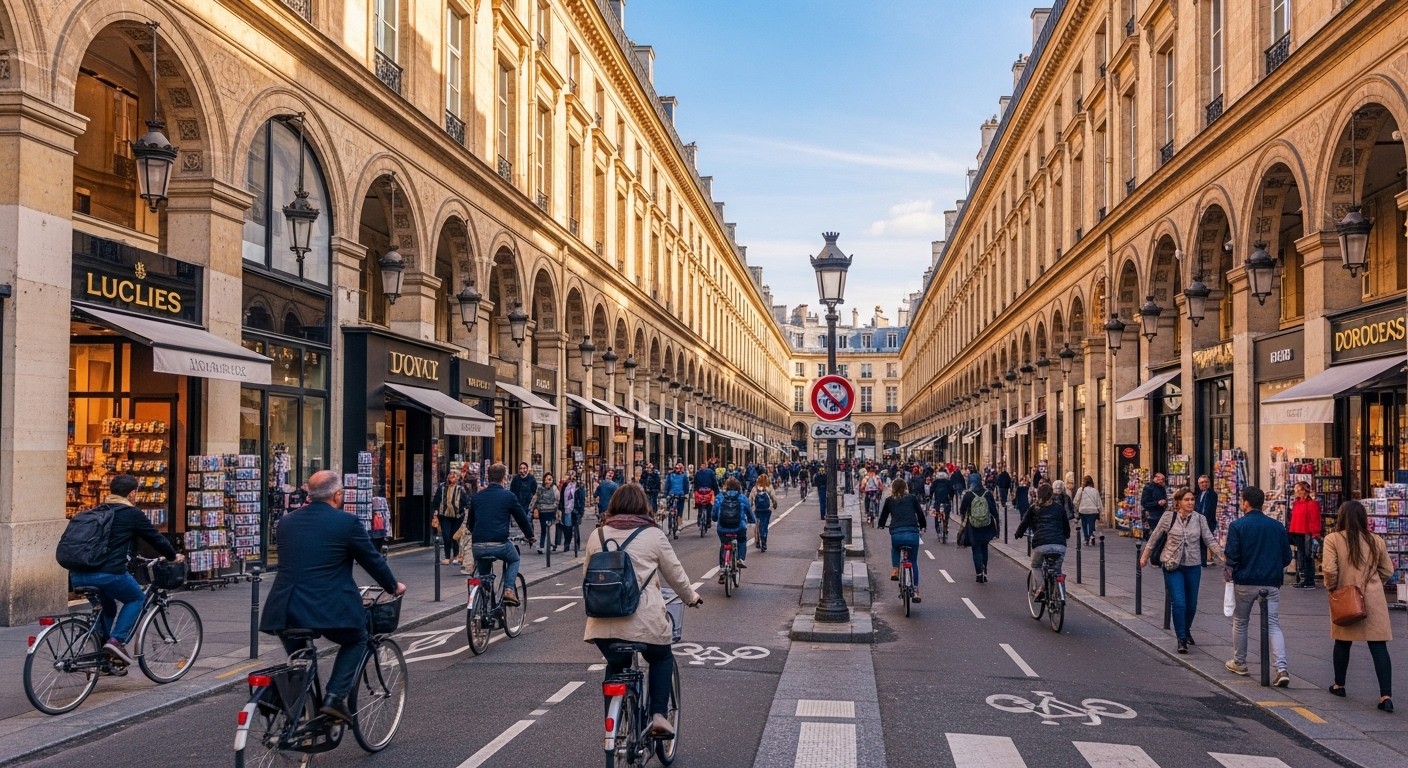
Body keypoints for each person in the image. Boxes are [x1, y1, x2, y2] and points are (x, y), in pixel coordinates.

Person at [260, 471, 404, 723]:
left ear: (309, 493)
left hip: (284, 608)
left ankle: (296, 719)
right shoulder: (346, 523)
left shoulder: (286, 522)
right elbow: (372, 560)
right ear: (338, 495)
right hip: (328, 607)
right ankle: (335, 698)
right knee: (357, 639)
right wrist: (393, 586)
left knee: (300, 661)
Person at [584, 484, 703, 738]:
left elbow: (586, 578)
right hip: (645, 622)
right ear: (643, 506)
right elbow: (676, 575)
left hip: (602, 624)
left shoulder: (598, 535)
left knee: (615, 664)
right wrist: (691, 597)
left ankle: (613, 725)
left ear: (613, 505)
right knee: (661, 658)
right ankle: (658, 715)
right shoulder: (653, 535)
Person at [65, 474, 185, 666]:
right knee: (136, 597)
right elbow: (156, 538)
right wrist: (174, 556)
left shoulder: (98, 511)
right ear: (131, 494)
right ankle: (117, 641)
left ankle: (101, 656)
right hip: (108, 575)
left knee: (108, 607)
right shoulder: (131, 514)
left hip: (78, 575)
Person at [1321, 500, 1395, 712]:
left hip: (1346, 596)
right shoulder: (1376, 540)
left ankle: (1339, 684)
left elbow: (1329, 570)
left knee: (1343, 642)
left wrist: (1332, 588)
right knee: (1379, 646)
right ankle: (1385, 696)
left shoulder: (1333, 539)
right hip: (1373, 599)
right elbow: (1388, 570)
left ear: (1341, 517)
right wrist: (1374, 585)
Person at [1223, 485, 1292, 686]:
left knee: (1241, 621)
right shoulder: (1277, 526)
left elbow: (1232, 556)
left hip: (1245, 581)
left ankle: (1240, 662)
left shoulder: (1238, 526)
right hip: (1271, 583)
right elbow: (1287, 557)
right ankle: (1281, 668)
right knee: (1273, 624)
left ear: (1245, 502)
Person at [1140, 488, 1224, 653]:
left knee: (1191, 605)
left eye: (1192, 499)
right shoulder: (1168, 517)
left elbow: (1209, 539)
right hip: (1172, 564)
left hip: (1193, 565)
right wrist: (1144, 557)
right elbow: (1154, 537)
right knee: (1179, 602)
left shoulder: (1200, 519)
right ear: (1178, 502)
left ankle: (1186, 630)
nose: (1191, 502)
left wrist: (1222, 556)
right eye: (1187, 500)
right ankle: (1181, 639)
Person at [464, 463, 536, 604]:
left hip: (478, 545)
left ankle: (482, 606)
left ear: (488, 478)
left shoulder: (477, 497)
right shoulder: (508, 496)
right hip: (499, 544)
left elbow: (470, 524)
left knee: (483, 575)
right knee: (514, 558)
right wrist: (530, 536)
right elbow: (522, 519)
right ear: (504, 478)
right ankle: (509, 589)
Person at [1014, 484, 1070, 598]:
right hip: (1059, 545)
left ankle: (1041, 587)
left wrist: (1018, 534)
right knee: (1057, 570)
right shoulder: (1059, 508)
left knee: (1035, 565)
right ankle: (1060, 597)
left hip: (1041, 544)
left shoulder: (1034, 508)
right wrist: (1066, 535)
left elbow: (1024, 523)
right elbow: (1066, 526)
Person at [878, 478, 926, 602]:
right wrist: (923, 525)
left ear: (893, 489)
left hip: (897, 533)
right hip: (912, 533)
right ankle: (915, 590)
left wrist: (881, 524)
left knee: (895, 548)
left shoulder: (889, 500)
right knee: (913, 561)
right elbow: (920, 514)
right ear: (905, 488)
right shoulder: (912, 498)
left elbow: (883, 515)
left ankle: (895, 569)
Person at [712, 477, 756, 577]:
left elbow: (714, 512)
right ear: (738, 487)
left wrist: (714, 519)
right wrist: (752, 521)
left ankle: (723, 567)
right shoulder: (742, 497)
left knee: (724, 544)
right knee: (742, 540)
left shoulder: (720, 496)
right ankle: (740, 558)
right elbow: (749, 511)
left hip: (723, 527)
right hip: (738, 527)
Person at [960, 480, 1000, 583]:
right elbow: (993, 510)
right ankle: (985, 571)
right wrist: (997, 523)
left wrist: (964, 518)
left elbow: (962, 509)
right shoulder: (988, 494)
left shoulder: (969, 494)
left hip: (974, 525)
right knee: (984, 547)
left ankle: (979, 573)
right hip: (987, 525)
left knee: (976, 548)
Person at [1287, 481, 1322, 589]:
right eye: (1295, 489)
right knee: (1301, 556)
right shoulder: (1296, 503)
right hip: (1297, 532)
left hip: (1306, 533)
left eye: (1298, 489)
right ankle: (1304, 579)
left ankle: (1309, 580)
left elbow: (1315, 520)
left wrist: (1315, 534)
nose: (1296, 492)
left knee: (1308, 556)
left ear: (1304, 491)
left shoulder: (1311, 504)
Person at [431, 469, 468, 565]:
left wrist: (464, 509)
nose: (452, 475)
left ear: (459, 477)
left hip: (458, 516)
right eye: (451, 473)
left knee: (455, 537)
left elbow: (467, 501)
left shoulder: (461, 488)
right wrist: (435, 511)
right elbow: (436, 500)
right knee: (446, 536)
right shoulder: (442, 487)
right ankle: (447, 557)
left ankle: (456, 556)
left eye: (455, 474)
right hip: (444, 516)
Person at [533, 472, 560, 553]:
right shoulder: (540, 488)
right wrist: (535, 508)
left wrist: (556, 507)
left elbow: (558, 498)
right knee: (543, 529)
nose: (549, 481)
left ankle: (552, 544)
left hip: (551, 511)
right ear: (544, 480)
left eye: (550, 479)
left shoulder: (554, 488)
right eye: (547, 479)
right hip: (543, 512)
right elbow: (536, 499)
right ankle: (541, 546)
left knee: (552, 528)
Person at [1196, 474, 1219, 566]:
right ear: (1199, 484)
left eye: (1206, 482)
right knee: (1202, 541)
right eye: (1202, 482)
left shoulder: (1211, 494)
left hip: (1207, 522)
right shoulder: (1200, 494)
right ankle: (1204, 560)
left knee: (1204, 541)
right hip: (1200, 521)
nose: (1204, 484)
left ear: (1209, 483)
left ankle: (1204, 561)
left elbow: (1209, 509)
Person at [749, 474, 776, 552]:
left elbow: (750, 499)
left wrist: (750, 508)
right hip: (767, 510)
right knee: (765, 525)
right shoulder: (769, 487)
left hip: (757, 509)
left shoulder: (755, 488)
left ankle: (757, 540)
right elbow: (773, 497)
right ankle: (764, 539)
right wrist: (774, 505)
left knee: (757, 524)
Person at [559, 470, 584, 552]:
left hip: (575, 509)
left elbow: (582, 499)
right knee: (568, 528)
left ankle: (577, 545)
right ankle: (567, 544)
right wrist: (560, 508)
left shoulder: (579, 486)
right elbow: (562, 498)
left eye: (569, 476)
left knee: (576, 528)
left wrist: (581, 511)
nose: (567, 477)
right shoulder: (565, 486)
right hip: (567, 510)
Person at [1073, 475, 1102, 546]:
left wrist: (1077, 508)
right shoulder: (1095, 491)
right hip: (1093, 511)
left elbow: (1075, 501)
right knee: (1092, 524)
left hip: (1083, 510)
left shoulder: (1081, 490)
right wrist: (1100, 510)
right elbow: (1098, 502)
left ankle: (1086, 539)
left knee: (1084, 525)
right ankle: (1091, 535)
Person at [1140, 472, 1169, 540]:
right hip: (1152, 514)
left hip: (1161, 513)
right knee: (1155, 535)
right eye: (1161, 479)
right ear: (1156, 478)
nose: (1162, 481)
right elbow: (1144, 503)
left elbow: (1164, 497)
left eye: (1163, 479)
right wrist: (1157, 503)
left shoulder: (1161, 488)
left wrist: (1164, 502)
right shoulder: (1148, 488)